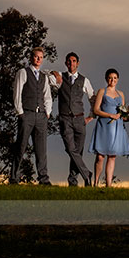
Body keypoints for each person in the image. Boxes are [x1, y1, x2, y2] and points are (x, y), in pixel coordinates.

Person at [48, 52, 95, 187]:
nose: (71, 63)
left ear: (78, 63)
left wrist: (91, 116)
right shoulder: (60, 78)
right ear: (66, 63)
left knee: (77, 152)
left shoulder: (84, 80)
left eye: (74, 61)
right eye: (69, 61)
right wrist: (52, 71)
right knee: (70, 149)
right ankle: (87, 174)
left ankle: (72, 181)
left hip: (80, 120)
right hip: (65, 119)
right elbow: (43, 75)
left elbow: (93, 98)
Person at [9, 47, 52, 185]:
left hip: (41, 117)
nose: (38, 59)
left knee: (41, 149)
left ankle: (44, 179)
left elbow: (47, 96)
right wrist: (20, 112)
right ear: (31, 57)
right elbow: (17, 92)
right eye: (36, 56)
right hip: (26, 114)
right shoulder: (23, 72)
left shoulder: (44, 76)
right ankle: (14, 178)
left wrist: (48, 112)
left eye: (41, 57)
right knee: (21, 146)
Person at [88, 68, 129, 187]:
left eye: (115, 78)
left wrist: (122, 114)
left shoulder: (120, 94)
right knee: (100, 156)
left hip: (116, 126)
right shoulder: (102, 91)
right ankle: (95, 182)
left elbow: (123, 111)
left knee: (112, 156)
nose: (113, 80)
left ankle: (109, 184)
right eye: (110, 78)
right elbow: (96, 110)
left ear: (118, 79)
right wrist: (110, 115)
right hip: (104, 125)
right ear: (107, 78)